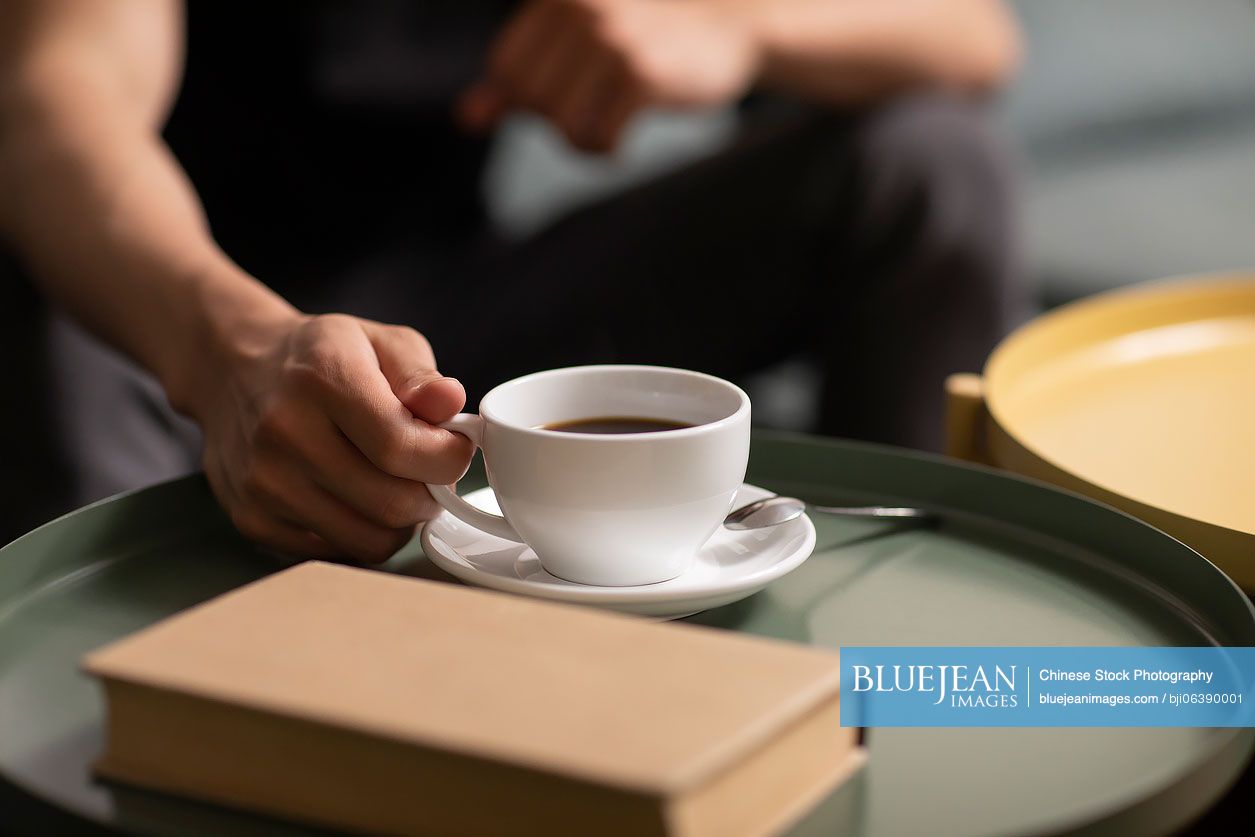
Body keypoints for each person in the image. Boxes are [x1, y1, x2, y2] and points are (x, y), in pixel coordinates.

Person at [0, 0, 1022, 559]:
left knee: (930, 164)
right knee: (53, 348)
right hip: (161, 315)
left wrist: (735, 23)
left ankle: (906, 692)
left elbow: (973, 34)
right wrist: (226, 354)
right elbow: (53, 96)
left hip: (447, 335)